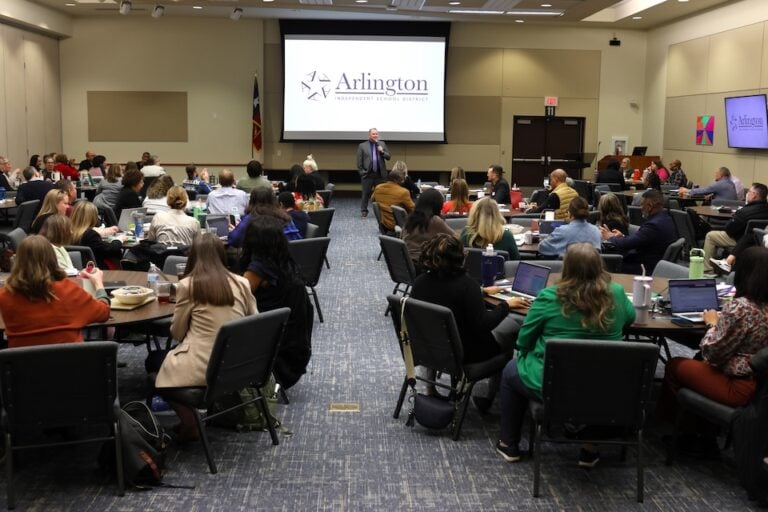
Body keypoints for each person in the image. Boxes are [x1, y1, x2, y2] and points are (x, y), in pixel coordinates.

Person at [495, 243, 636, 464]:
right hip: (604, 388)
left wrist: (534, 352)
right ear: (600, 267)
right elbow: (630, 319)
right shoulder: (616, 293)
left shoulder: (549, 297)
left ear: (566, 267)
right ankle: (590, 449)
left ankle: (508, 444)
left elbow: (523, 341)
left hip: (552, 385)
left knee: (510, 371)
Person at [657, 246, 768, 449]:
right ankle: (703, 428)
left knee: (675, 365)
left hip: (738, 386)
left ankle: (686, 433)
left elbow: (713, 354)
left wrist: (712, 323)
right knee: (698, 359)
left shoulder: (741, 307)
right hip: (760, 386)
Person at [155, 233, 257, 442]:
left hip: (204, 366)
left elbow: (177, 333)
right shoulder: (241, 283)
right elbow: (254, 322)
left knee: (157, 374)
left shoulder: (188, 286)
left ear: (192, 257)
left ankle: (190, 422)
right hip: (236, 363)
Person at [410, 234, 525, 403]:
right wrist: (507, 305)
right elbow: (484, 324)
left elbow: (446, 295)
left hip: (428, 349)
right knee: (509, 340)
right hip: (466, 355)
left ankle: (430, 388)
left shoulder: (419, 283)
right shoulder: (467, 286)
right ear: (462, 257)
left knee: (435, 329)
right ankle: (488, 399)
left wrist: (482, 292)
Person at [241, 215, 313, 389]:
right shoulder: (285, 263)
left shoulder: (258, 270)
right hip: (293, 354)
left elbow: (235, 297)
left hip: (270, 361)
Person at [0, 235, 110, 348]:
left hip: (22, 364)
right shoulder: (69, 290)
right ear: (52, 258)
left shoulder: (5, 296)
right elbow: (104, 313)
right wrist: (98, 284)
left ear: (18, 261)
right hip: (72, 363)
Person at [600, 189, 677, 274]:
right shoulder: (666, 218)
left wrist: (611, 237)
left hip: (644, 267)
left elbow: (628, 244)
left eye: (641, 205)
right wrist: (622, 237)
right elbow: (638, 240)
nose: (640, 208)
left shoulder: (653, 225)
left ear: (649, 206)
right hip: (654, 261)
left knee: (604, 263)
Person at [705, 183, 768, 273]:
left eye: (749, 191)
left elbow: (729, 230)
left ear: (754, 195)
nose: (747, 194)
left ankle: (707, 271)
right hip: (759, 241)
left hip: (739, 240)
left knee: (710, 236)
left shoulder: (744, 212)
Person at [229, 188, 301, 247]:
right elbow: (297, 242)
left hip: (263, 262)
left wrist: (233, 231)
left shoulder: (250, 219)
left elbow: (234, 241)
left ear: (251, 201)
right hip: (291, 260)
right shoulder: (286, 217)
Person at [402, 188, 456, 265]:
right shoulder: (434, 221)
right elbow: (456, 238)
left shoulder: (410, 219)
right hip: (423, 264)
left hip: (408, 262)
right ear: (438, 205)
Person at [70, 201, 123, 269]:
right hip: (96, 269)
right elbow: (109, 249)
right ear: (93, 217)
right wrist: (119, 240)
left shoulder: (67, 232)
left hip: (75, 269)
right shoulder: (90, 235)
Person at [357, 127, 390, 218]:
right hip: (368, 174)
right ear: (369, 135)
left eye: (376, 134)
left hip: (380, 174)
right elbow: (359, 162)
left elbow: (388, 156)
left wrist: (382, 151)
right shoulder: (362, 146)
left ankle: (382, 211)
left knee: (381, 194)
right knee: (366, 193)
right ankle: (364, 211)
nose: (375, 135)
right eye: (373, 134)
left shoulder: (382, 144)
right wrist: (362, 172)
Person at [370, 168, 415, 233]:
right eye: (402, 179)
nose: (404, 181)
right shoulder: (403, 192)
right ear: (396, 180)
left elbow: (372, 200)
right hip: (398, 224)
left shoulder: (378, 187)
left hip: (384, 223)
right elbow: (413, 209)